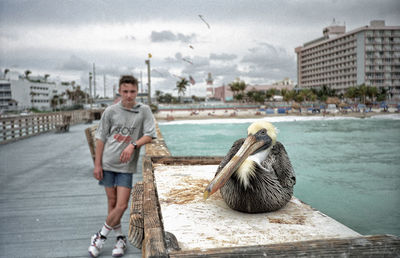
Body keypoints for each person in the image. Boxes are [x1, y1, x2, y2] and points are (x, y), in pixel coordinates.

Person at [88, 75, 156, 257]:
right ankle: (120, 239)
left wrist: (133, 145)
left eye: (132, 91)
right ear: (119, 91)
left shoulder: (144, 111)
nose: (128, 95)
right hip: (108, 163)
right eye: (125, 91)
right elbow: (100, 138)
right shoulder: (110, 111)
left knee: (122, 205)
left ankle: (100, 237)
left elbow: (150, 135)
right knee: (111, 202)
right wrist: (97, 165)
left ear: (137, 91)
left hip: (126, 167)